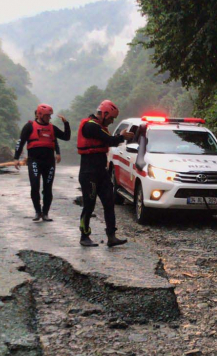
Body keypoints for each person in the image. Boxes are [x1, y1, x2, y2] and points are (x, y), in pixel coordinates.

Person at [77, 100, 133, 247]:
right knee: (89, 204)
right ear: (104, 113)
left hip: (101, 172)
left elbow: (109, 140)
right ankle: (84, 236)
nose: (112, 121)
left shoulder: (100, 127)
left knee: (109, 202)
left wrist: (120, 137)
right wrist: (122, 137)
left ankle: (111, 236)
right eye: (111, 118)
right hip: (88, 173)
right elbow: (110, 140)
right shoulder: (91, 126)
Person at [14, 104, 70, 222]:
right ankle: (37, 212)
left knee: (47, 188)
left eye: (50, 115)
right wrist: (16, 158)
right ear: (40, 115)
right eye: (47, 115)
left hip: (49, 162)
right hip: (34, 161)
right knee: (35, 186)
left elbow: (66, 137)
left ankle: (45, 213)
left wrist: (66, 123)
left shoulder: (52, 128)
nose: (50, 118)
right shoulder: (29, 126)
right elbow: (21, 141)